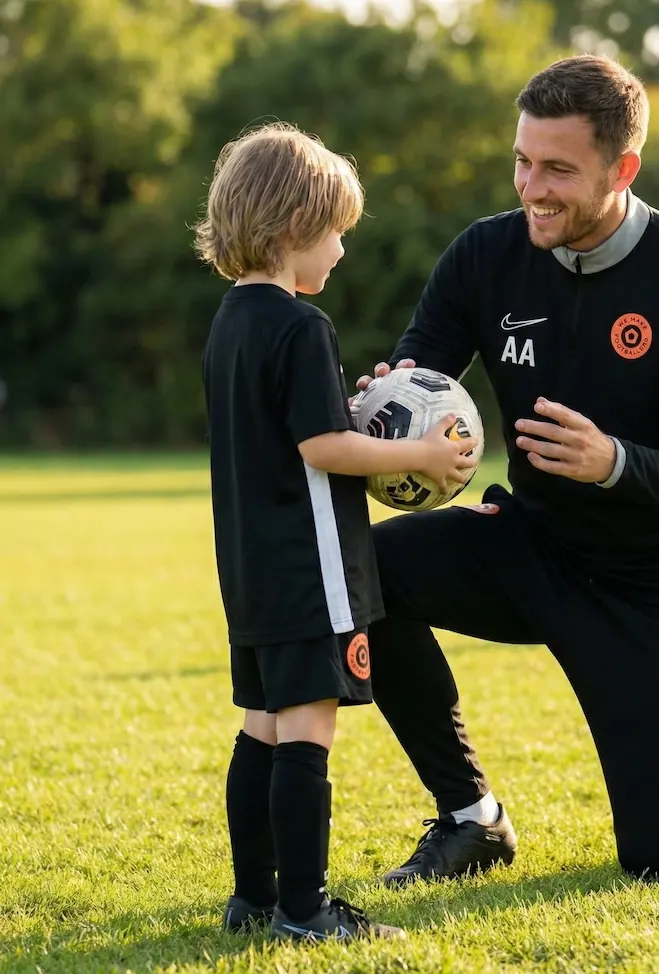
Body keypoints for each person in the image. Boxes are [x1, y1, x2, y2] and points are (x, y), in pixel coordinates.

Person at [357, 56, 659, 887]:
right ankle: (472, 819)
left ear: (623, 170)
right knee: (366, 571)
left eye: (558, 170)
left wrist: (615, 463)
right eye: (522, 161)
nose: (531, 187)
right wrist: (385, 412)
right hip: (534, 548)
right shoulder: (484, 256)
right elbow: (418, 380)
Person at [196, 122, 475, 942]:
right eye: (337, 234)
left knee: (263, 723)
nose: (343, 253)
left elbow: (288, 434)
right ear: (292, 230)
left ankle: (253, 900)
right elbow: (322, 447)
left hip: (250, 565)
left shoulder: (229, 324)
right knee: (309, 727)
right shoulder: (299, 327)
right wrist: (417, 448)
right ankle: (307, 909)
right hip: (311, 566)